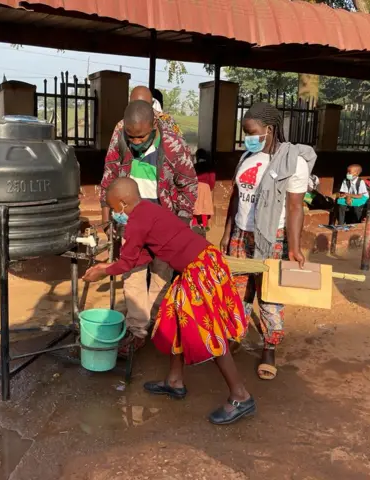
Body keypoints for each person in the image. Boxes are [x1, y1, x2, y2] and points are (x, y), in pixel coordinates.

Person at [84, 178, 254, 425]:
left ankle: (241, 395)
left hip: (199, 270)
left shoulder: (136, 222)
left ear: (122, 202)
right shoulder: (151, 210)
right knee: (173, 318)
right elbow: (143, 253)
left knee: (208, 332)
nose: (115, 214)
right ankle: (175, 381)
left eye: (114, 208)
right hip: (204, 261)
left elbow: (127, 262)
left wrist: (102, 269)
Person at [220, 102, 316, 381]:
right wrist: (228, 233)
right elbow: (236, 196)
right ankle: (236, 334)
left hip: (271, 237)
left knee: (270, 295)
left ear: (270, 130)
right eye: (244, 132)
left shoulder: (292, 162)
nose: (247, 138)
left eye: (251, 132)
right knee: (237, 293)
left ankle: (269, 348)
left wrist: (295, 247)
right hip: (241, 233)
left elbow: (296, 206)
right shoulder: (247, 157)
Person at [99, 100, 198, 354]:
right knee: (132, 272)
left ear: (154, 125)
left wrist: (181, 224)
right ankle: (136, 331)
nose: (135, 142)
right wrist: (108, 214)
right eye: (131, 137)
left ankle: (152, 321)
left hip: (164, 222)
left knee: (160, 274)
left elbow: (188, 185)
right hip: (129, 218)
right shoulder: (121, 140)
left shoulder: (174, 147)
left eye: (141, 136)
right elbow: (109, 175)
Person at [191, 148, 216, 237]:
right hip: (206, 187)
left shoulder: (195, 166)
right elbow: (212, 179)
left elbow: (191, 177)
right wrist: (210, 188)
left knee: (196, 206)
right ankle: (205, 225)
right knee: (205, 206)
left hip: (196, 187)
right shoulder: (209, 167)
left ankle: (194, 224)